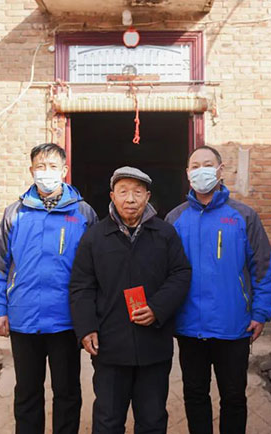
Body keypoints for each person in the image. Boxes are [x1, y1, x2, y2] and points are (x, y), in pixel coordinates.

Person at [165, 146, 271, 434]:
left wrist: (261, 313)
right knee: (195, 395)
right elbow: (163, 272)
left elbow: (263, 267)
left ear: (220, 170)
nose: (200, 171)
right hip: (189, 326)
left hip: (233, 325)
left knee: (234, 397)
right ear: (188, 173)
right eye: (195, 166)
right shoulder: (175, 219)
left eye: (207, 164)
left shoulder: (244, 216)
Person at [0, 143, 97, 434]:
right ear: (31, 170)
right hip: (24, 318)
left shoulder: (83, 213)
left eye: (53, 167)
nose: (46, 172)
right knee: (27, 392)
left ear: (64, 170)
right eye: (40, 166)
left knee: (67, 392)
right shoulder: (15, 213)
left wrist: (91, 318)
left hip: (66, 320)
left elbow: (96, 269)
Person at [69, 166, 191, 434]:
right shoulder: (94, 237)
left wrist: (157, 308)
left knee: (152, 420)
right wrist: (86, 328)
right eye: (123, 192)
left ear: (147, 196)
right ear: (112, 196)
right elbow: (81, 286)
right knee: (108, 421)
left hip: (153, 345)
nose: (130, 199)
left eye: (137, 192)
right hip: (110, 346)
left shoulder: (165, 234)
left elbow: (181, 274)